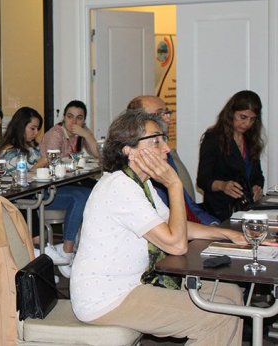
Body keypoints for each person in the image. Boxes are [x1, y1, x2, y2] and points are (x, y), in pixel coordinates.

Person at [70, 109, 244, 344]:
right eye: (156, 141)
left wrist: (228, 234)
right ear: (129, 150)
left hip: (135, 283)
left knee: (231, 294)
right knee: (219, 316)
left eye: (164, 139)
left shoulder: (141, 183)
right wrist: (174, 185)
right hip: (108, 297)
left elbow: (175, 226)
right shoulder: (120, 187)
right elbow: (176, 244)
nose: (166, 148)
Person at [0, 107, 90, 277]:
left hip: (43, 190)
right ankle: (64, 252)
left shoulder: (31, 146)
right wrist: (43, 163)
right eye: (32, 128)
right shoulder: (9, 152)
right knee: (78, 197)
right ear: (20, 126)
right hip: (28, 196)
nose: (35, 133)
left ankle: (67, 250)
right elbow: (19, 178)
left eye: (37, 129)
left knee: (86, 193)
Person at [127, 95, 219, 225]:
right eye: (159, 114)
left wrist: (213, 225)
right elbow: (165, 226)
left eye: (167, 113)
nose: (168, 119)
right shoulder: (131, 175)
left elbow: (189, 205)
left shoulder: (166, 155)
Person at [197, 90, 265, 222]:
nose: (247, 124)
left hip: (246, 209)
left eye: (252, 119)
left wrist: (257, 187)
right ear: (231, 113)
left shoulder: (250, 139)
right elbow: (203, 180)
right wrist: (223, 186)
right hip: (221, 211)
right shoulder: (213, 139)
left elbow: (258, 176)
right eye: (243, 117)